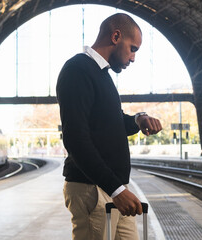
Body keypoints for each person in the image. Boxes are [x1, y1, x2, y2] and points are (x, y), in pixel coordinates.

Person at [56, 13, 162, 240]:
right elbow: (75, 138)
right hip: (93, 189)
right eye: (133, 48)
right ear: (116, 36)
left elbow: (111, 121)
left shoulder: (102, 74)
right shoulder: (78, 70)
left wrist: (137, 119)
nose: (133, 58)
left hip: (114, 189)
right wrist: (115, 189)